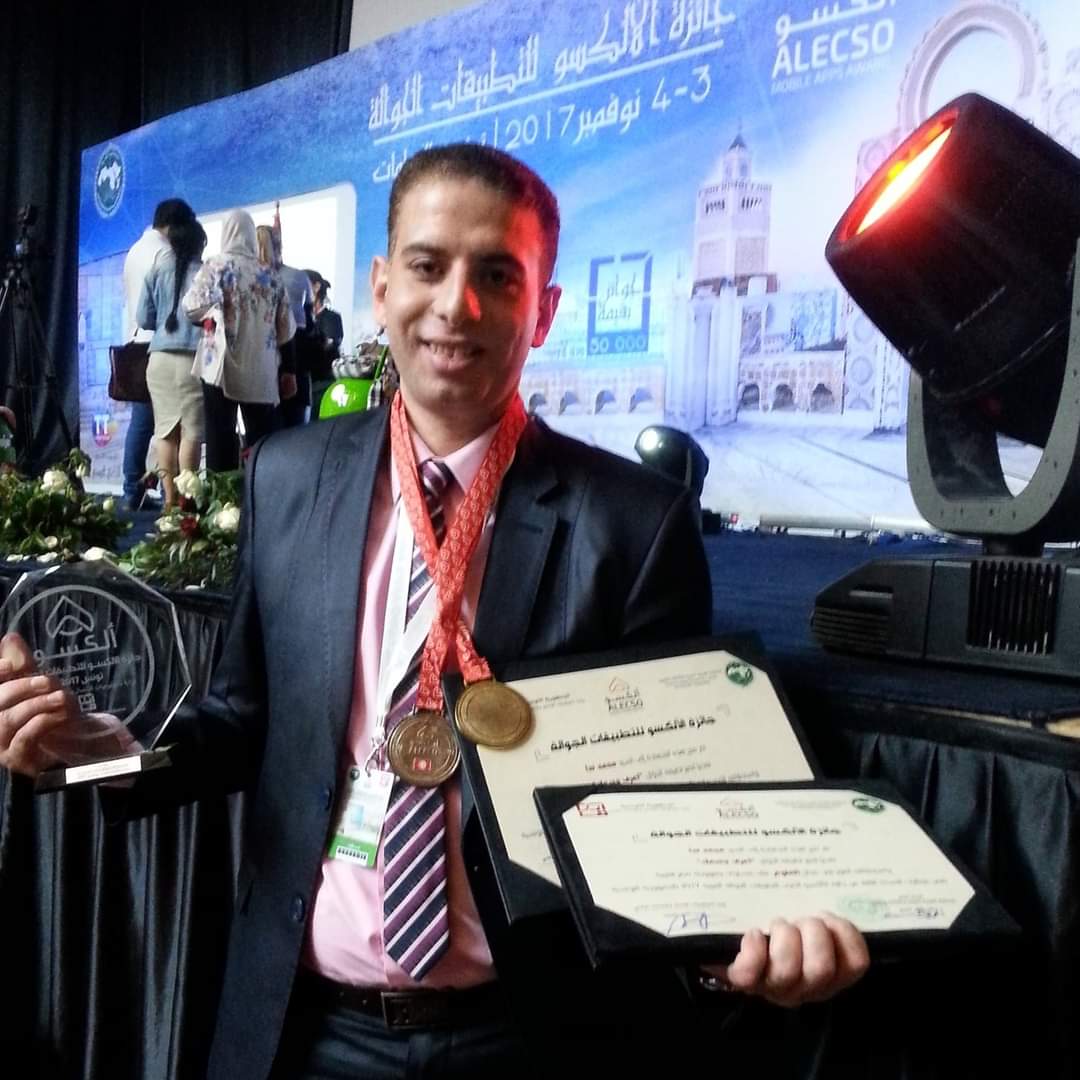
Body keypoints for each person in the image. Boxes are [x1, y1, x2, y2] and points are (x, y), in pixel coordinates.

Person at [0, 145, 868, 1079]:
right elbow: (241, 723)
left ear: (545, 310)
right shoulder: (287, 478)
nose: (458, 305)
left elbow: (670, 796)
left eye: (498, 275)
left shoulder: (632, 525)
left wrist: (742, 941)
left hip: (527, 1031)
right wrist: (103, 756)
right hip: (304, 1027)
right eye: (427, 266)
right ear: (382, 288)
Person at [182, 209, 296, 471]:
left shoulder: (215, 266)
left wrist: (213, 315)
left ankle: (221, 494)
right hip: (261, 367)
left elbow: (191, 307)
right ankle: (262, 491)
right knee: (263, 440)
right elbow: (286, 329)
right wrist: (289, 370)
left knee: (219, 436)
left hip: (220, 365)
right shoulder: (271, 276)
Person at [120, 198, 197, 510]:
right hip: (166, 344)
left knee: (151, 425)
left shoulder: (135, 250)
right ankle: (171, 496)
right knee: (173, 427)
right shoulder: (164, 253)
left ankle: (136, 491)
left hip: (144, 345)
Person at [136, 216, 208, 510]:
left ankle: (169, 501)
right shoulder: (204, 272)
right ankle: (186, 504)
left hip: (159, 360)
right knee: (191, 433)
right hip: (194, 359)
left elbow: (143, 318)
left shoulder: (155, 270)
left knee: (164, 433)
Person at [256, 224, 316, 428]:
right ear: (278, 246)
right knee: (296, 429)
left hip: (260, 361)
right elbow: (309, 323)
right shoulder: (299, 277)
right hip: (296, 358)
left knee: (263, 433)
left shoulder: (244, 278)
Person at [303, 268, 344, 419]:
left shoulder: (331, 318)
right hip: (305, 383)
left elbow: (328, 345)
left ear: (316, 287)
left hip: (323, 384)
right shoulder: (301, 318)